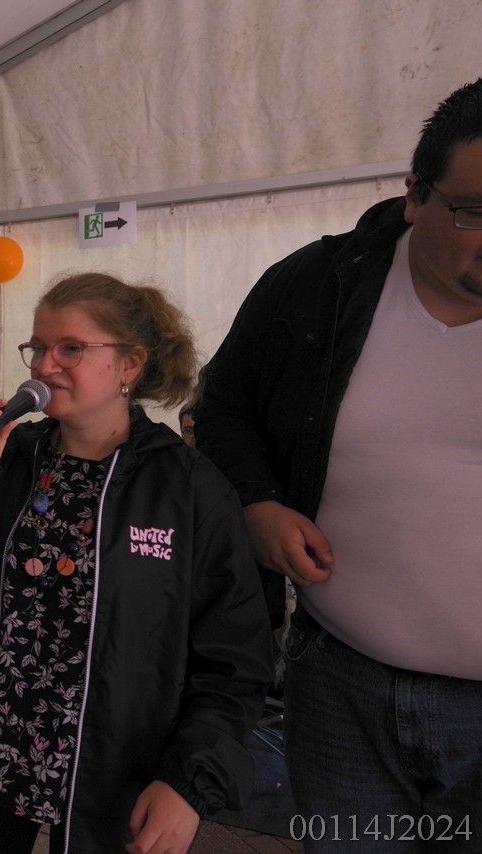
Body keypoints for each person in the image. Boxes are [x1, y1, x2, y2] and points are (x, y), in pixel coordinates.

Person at [196, 78, 482, 843]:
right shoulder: (316, 286)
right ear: (415, 194)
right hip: (340, 688)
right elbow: (224, 408)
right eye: (477, 212)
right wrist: (258, 503)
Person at [0, 273, 273, 853]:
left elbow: (235, 657)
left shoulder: (188, 488)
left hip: (115, 773)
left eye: (70, 348)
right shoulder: (9, 458)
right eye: (37, 348)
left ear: (130, 364)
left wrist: (188, 780)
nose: (44, 366)